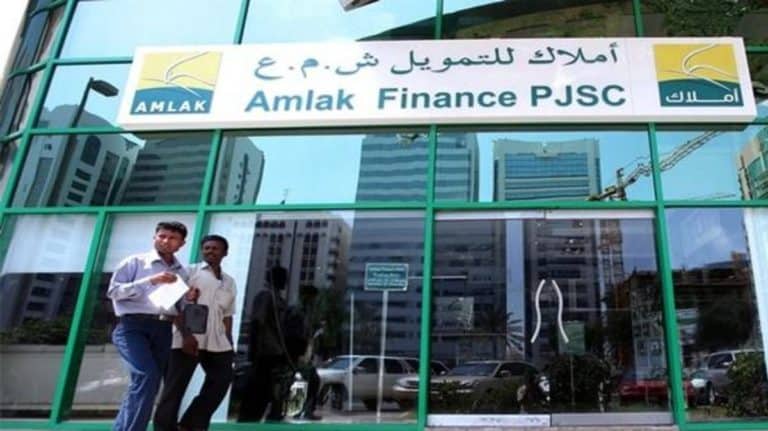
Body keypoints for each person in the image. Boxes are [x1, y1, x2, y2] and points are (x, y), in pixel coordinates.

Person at [108, 221, 190, 431]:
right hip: (132, 326)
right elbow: (113, 292)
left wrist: (189, 298)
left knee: (147, 384)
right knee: (146, 376)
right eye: (162, 236)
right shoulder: (135, 262)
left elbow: (179, 308)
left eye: (172, 238)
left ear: (181, 243)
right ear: (154, 237)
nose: (166, 241)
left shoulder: (182, 272)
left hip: (163, 328)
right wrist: (151, 281)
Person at [154, 235, 237, 431]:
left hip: (218, 342)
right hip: (188, 339)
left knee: (221, 381)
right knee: (174, 389)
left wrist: (229, 342)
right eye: (207, 248)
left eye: (215, 248)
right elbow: (172, 305)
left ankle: (191, 424)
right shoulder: (188, 272)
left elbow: (227, 315)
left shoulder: (229, 281)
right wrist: (186, 336)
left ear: (225, 253)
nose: (210, 251)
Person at [238, 265, 289, 422]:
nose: (285, 282)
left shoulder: (279, 299)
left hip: (275, 351)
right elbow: (257, 323)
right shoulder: (266, 296)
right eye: (282, 278)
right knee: (258, 390)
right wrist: (254, 352)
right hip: (265, 351)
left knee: (270, 391)